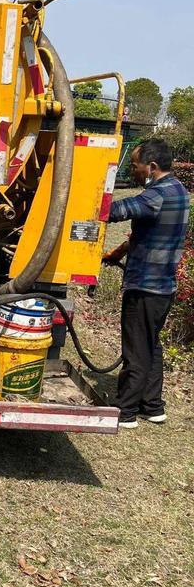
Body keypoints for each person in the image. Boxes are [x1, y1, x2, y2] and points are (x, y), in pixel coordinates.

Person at [103, 137, 190, 428]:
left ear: (152, 167)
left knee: (136, 350)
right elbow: (151, 231)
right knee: (150, 345)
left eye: (136, 165)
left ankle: (125, 410)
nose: (134, 170)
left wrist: (92, 200)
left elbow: (116, 211)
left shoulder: (156, 194)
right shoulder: (178, 190)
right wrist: (119, 251)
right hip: (163, 285)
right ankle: (153, 406)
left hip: (145, 285)